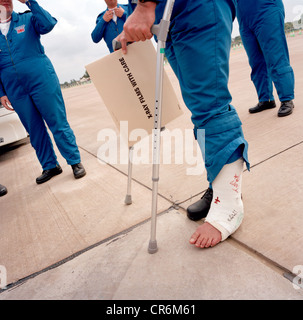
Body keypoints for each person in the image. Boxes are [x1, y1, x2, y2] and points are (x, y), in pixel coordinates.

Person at [117, 0, 250, 249]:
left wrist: (145, 5)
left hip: (194, 6)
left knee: (210, 104)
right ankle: (220, 183)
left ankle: (230, 204)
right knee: (199, 109)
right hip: (169, 14)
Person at [0, 0, 86, 184]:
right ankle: (50, 165)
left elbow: (48, 24)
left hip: (42, 80)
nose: (4, 2)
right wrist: (1, 92)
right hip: (15, 90)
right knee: (34, 128)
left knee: (57, 121)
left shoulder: (28, 18)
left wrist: (31, 2)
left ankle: (74, 161)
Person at [236, 0, 295, 117]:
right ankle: (266, 99)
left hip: (266, 9)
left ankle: (286, 99)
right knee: (256, 61)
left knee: (275, 56)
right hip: (244, 17)